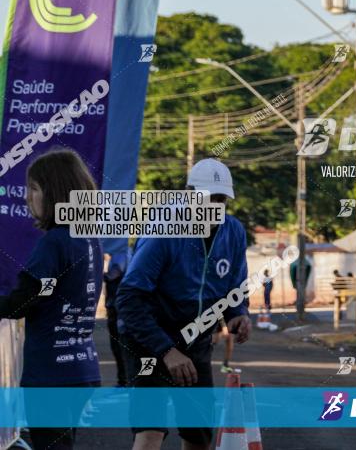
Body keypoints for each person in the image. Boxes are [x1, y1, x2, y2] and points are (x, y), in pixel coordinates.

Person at [116, 158, 251, 450]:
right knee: (151, 430)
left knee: (198, 434)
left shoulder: (234, 231)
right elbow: (128, 298)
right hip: (148, 340)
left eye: (221, 199)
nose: (215, 207)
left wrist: (238, 314)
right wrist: (166, 351)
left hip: (196, 341)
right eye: (207, 198)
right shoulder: (163, 232)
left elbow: (236, 287)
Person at [0, 150, 103, 450]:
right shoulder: (88, 239)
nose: (27, 198)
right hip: (82, 368)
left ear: (55, 192)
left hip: (50, 373)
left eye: (33, 188)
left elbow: (21, 302)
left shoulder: (54, 243)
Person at [104, 245, 132, 387]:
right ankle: (124, 379)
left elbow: (115, 271)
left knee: (120, 341)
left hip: (119, 302)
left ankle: (125, 380)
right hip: (117, 302)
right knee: (119, 341)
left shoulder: (121, 249)